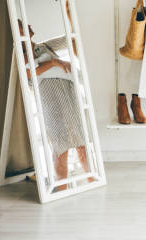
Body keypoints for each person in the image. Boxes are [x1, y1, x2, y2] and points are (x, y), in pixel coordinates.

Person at [18, 19, 90, 191]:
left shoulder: (44, 46)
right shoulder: (19, 54)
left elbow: (69, 38)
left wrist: (69, 16)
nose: (29, 25)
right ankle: (61, 188)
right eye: (23, 25)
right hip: (50, 99)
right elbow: (28, 73)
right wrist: (55, 63)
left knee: (81, 140)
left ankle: (92, 181)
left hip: (68, 92)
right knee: (60, 144)